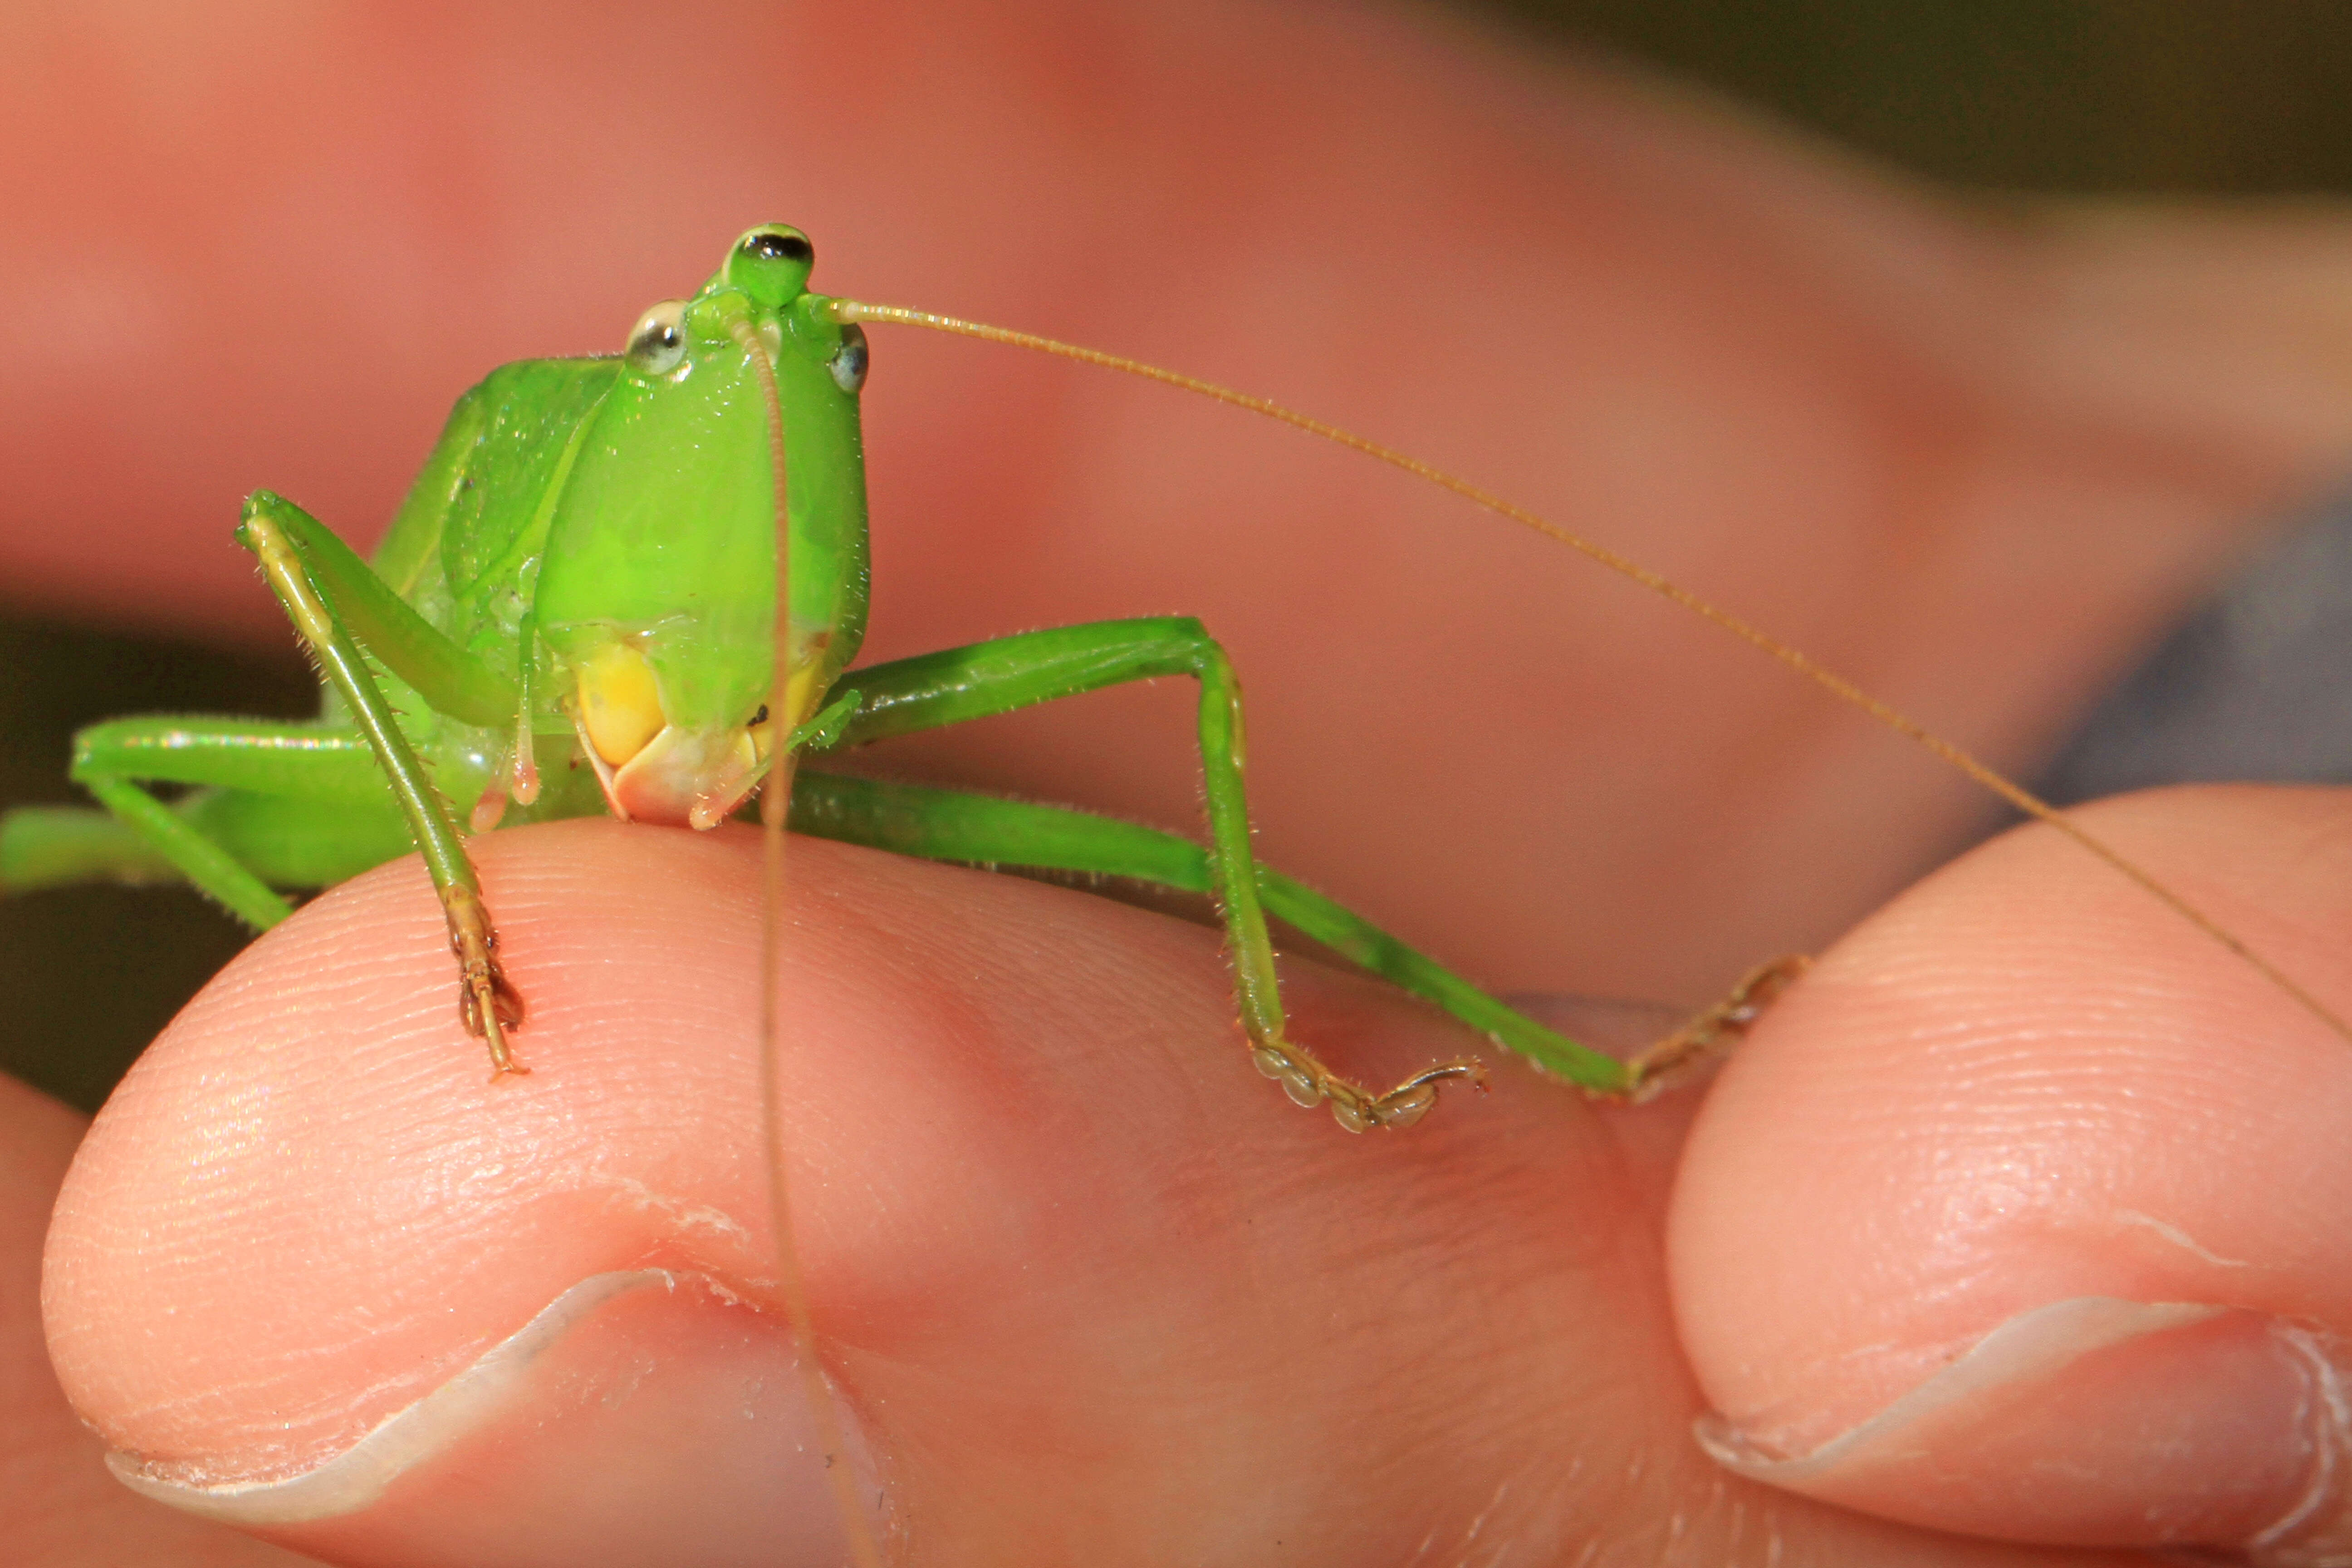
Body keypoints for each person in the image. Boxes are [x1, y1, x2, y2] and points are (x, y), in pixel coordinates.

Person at [10, 4, 2352, 1561]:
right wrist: (449, 905)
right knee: (105, 783)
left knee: (1216, 854)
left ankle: (1532, 1055)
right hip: (415, 760)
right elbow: (289, 570)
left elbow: (1166, 669)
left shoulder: (795, 381)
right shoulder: (556, 428)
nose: (769, 377)